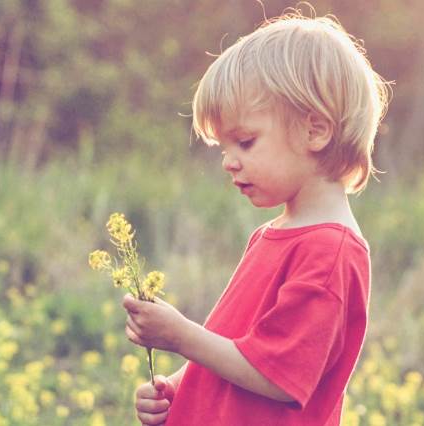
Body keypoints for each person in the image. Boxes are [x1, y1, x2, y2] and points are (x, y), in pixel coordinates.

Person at [122, 8, 390, 426]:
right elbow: (238, 345)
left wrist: (181, 336)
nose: (229, 162)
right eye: (224, 148)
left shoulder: (329, 252)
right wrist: (178, 386)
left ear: (314, 131)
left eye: (245, 142)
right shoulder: (274, 234)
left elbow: (277, 377)